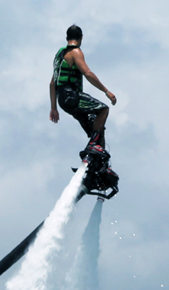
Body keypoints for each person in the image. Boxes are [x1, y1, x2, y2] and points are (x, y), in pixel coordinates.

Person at [48, 24, 120, 195]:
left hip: (63, 100)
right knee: (102, 109)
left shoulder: (59, 54)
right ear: (81, 38)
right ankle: (95, 151)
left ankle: (98, 169)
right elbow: (87, 74)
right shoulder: (76, 52)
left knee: (96, 129)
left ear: (67, 37)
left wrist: (54, 107)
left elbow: (52, 83)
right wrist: (106, 91)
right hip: (71, 96)